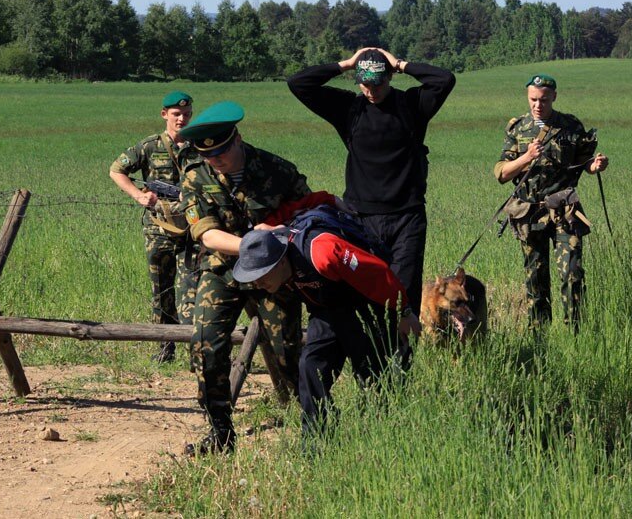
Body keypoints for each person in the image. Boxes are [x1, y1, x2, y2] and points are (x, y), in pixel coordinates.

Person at [177, 101, 339, 455]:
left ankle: (319, 427)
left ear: (237, 139)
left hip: (274, 274)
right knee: (206, 344)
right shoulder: (195, 178)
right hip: (222, 270)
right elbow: (206, 235)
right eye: (208, 156)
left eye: (220, 152)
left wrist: (283, 236)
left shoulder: (276, 169)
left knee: (289, 354)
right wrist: (254, 243)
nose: (215, 161)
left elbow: (312, 210)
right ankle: (220, 432)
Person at [287, 47, 455, 316]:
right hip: (359, 219)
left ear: (389, 78)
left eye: (377, 83)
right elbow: (298, 83)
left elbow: (444, 79)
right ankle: (372, 354)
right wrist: (346, 63)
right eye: (364, 83)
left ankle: (400, 355)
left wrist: (399, 63)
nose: (371, 90)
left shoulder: (412, 106)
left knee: (404, 298)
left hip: (406, 218)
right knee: (363, 293)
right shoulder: (349, 109)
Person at [232, 209, 421, 438]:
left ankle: (385, 434)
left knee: (372, 373)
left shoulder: (322, 251)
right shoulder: (277, 274)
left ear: (281, 261)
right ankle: (315, 443)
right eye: (254, 278)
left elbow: (377, 274)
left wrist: (404, 311)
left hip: (363, 305)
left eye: (263, 275)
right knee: (310, 367)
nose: (259, 283)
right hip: (326, 310)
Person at [494, 74, 609, 333]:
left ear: (554, 97)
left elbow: (584, 163)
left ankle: (575, 334)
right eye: (533, 99)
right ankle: (539, 336)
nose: (538, 105)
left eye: (544, 99)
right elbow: (501, 173)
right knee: (536, 279)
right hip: (530, 214)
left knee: (573, 274)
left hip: (564, 211)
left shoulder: (570, 126)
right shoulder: (517, 128)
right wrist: (526, 158)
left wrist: (595, 165)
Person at [109, 91, 202, 363]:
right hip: (158, 230)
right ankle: (164, 350)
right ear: (164, 115)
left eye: (186, 114)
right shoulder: (149, 146)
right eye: (176, 114)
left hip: (193, 230)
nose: (182, 119)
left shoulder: (200, 146)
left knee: (193, 291)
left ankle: (198, 352)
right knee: (162, 292)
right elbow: (116, 170)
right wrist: (139, 196)